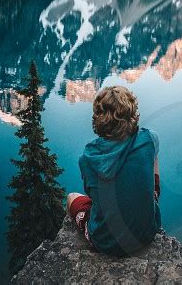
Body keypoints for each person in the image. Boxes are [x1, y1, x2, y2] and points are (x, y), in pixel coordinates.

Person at [67, 86, 161, 256]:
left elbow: (93, 196)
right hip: (148, 232)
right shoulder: (150, 138)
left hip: (106, 243)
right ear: (132, 113)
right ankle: (154, 194)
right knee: (152, 154)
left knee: (72, 197)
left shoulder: (88, 159)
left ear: (98, 119)